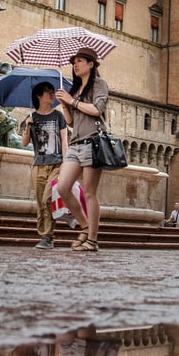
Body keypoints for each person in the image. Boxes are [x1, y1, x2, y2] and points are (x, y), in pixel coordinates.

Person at [53, 48, 109, 252]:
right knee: (62, 187)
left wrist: (72, 101)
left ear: (91, 64)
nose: (75, 65)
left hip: (93, 142)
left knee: (89, 192)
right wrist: (65, 105)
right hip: (76, 143)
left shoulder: (99, 85)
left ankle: (92, 240)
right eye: (73, 62)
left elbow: (96, 110)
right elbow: (70, 122)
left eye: (79, 61)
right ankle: (85, 226)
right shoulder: (75, 89)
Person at [19, 82, 68, 250]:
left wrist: (66, 163)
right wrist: (27, 126)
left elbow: (64, 141)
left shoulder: (58, 116)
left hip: (56, 164)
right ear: (39, 95)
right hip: (39, 165)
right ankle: (45, 236)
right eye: (48, 92)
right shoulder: (31, 117)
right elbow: (25, 143)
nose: (52, 94)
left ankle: (48, 235)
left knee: (48, 198)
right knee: (40, 202)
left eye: (52, 91)